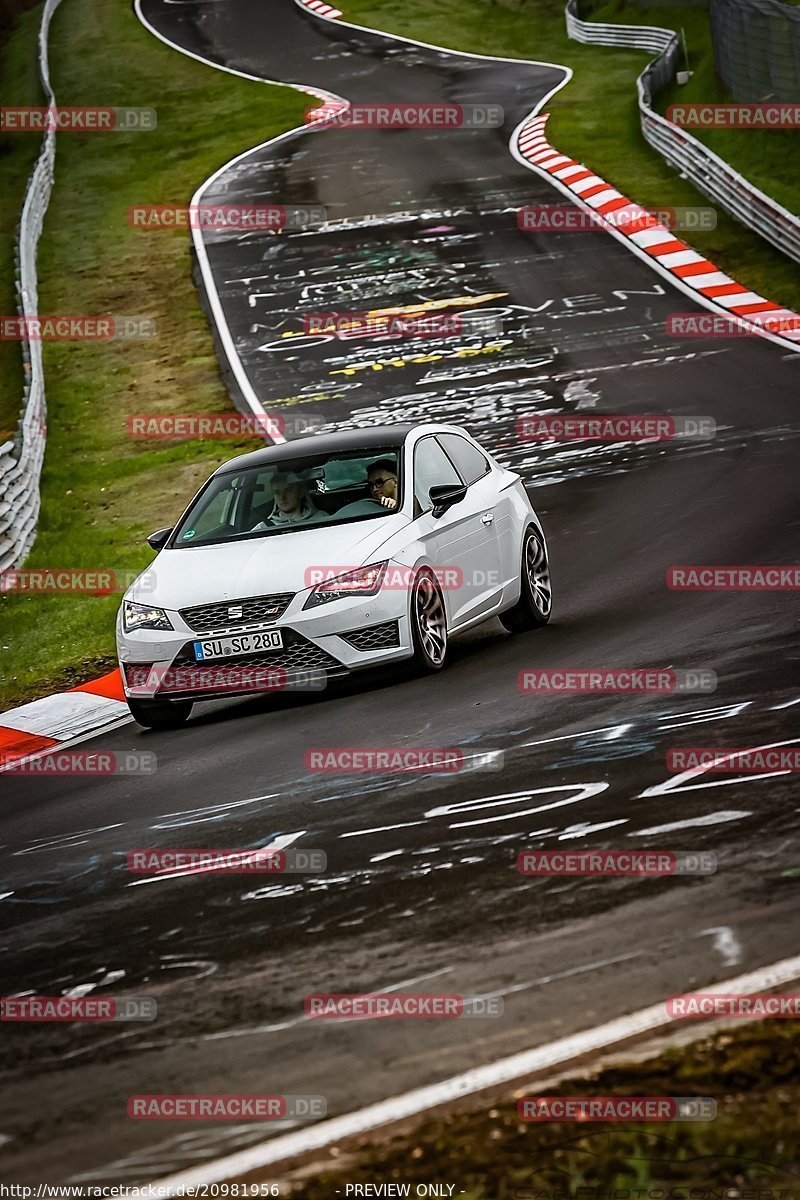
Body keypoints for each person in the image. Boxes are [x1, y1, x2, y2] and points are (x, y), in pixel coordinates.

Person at [251, 471, 328, 530]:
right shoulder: (262, 528)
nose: (282, 497)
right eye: (277, 493)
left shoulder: (321, 518)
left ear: (300, 493)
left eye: (288, 491)